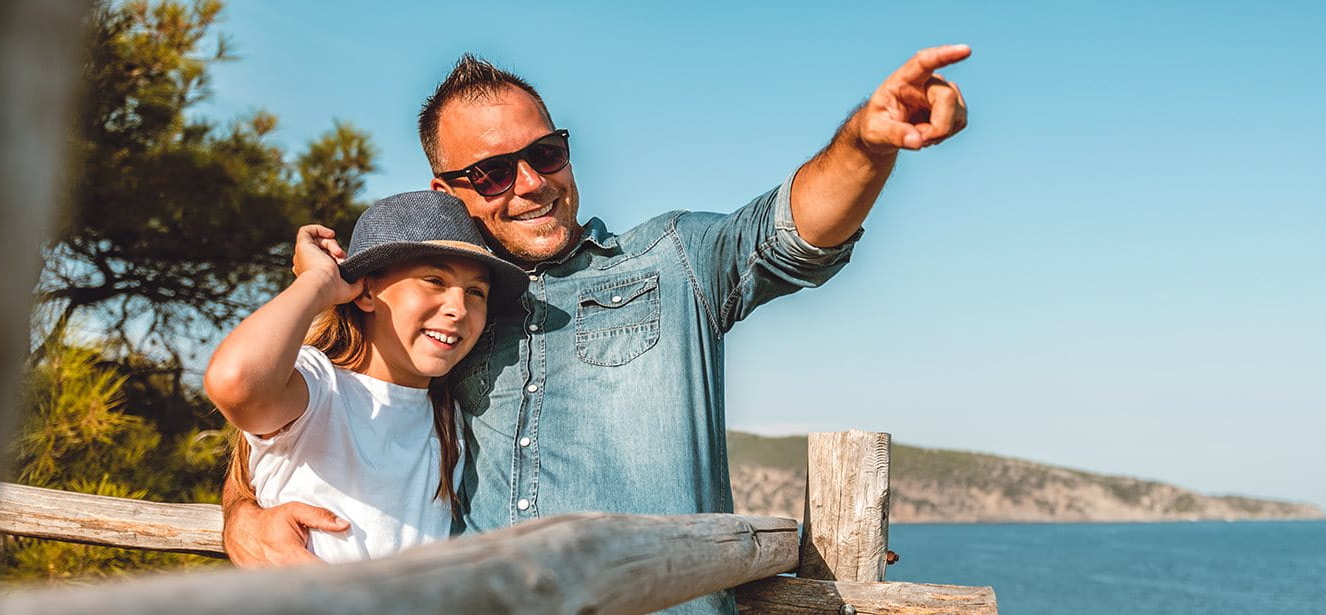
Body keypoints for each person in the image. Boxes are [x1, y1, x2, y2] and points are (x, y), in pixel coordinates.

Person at [223, 44, 969, 611]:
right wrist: (242, 514)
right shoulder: (445, 318)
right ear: (445, 193)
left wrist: (868, 144)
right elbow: (305, 418)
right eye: (491, 172)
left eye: (545, 154)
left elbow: (791, 232)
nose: (531, 183)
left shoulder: (675, 259)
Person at [205, 191, 524, 562]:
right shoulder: (318, 385)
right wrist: (319, 281)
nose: (458, 308)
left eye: (476, 292)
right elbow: (235, 381)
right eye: (434, 280)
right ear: (367, 291)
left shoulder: (450, 417)